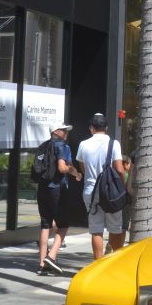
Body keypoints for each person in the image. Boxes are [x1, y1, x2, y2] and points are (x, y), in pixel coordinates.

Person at [76, 113, 126, 260]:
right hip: (111, 191)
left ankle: (98, 263)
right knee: (115, 228)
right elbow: (119, 169)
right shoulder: (114, 143)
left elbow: (83, 168)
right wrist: (122, 187)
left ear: (91, 128)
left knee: (96, 229)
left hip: (91, 190)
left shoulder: (83, 144)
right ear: (107, 128)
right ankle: (116, 262)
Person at [37, 123, 81, 275]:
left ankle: (42, 264)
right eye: (64, 130)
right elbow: (62, 168)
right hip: (57, 189)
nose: (66, 132)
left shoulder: (43, 146)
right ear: (56, 132)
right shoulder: (62, 146)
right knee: (63, 225)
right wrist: (75, 173)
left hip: (42, 189)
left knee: (45, 224)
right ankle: (51, 256)